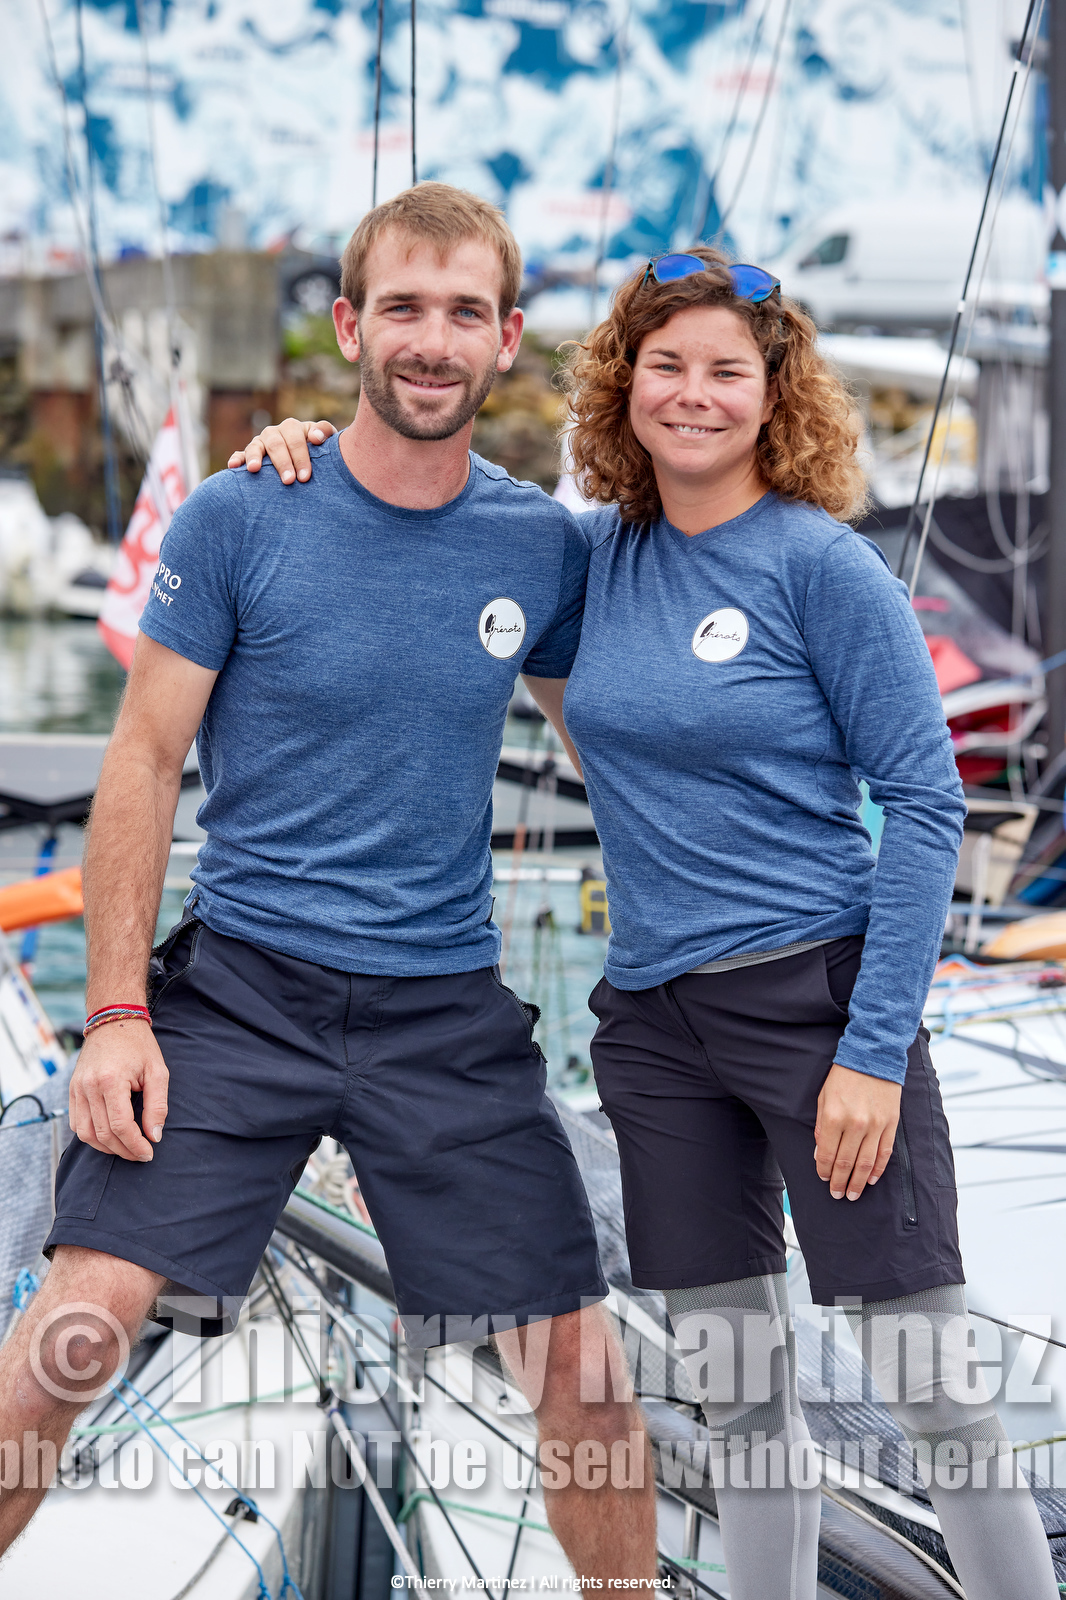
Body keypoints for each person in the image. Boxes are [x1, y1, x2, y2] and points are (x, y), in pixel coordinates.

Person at [253, 248, 1058, 1599]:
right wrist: (294, 451)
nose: (692, 393)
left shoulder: (821, 568)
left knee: (935, 1395)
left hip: (817, 1005)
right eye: (664, 365)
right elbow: (418, 513)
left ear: (773, 395)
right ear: (623, 387)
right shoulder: (592, 561)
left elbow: (926, 804)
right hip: (657, 1028)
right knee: (741, 1400)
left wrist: (872, 1051)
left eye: (724, 371)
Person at [0, 185, 657, 1582]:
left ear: (506, 340)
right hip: (242, 992)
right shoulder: (242, 516)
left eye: (465, 312)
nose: (433, 340)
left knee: (589, 1386)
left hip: (443, 1013)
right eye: (403, 307)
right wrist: (114, 1014)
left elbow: (617, 749)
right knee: (73, 1335)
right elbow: (144, 760)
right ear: (351, 326)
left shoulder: (539, 546)